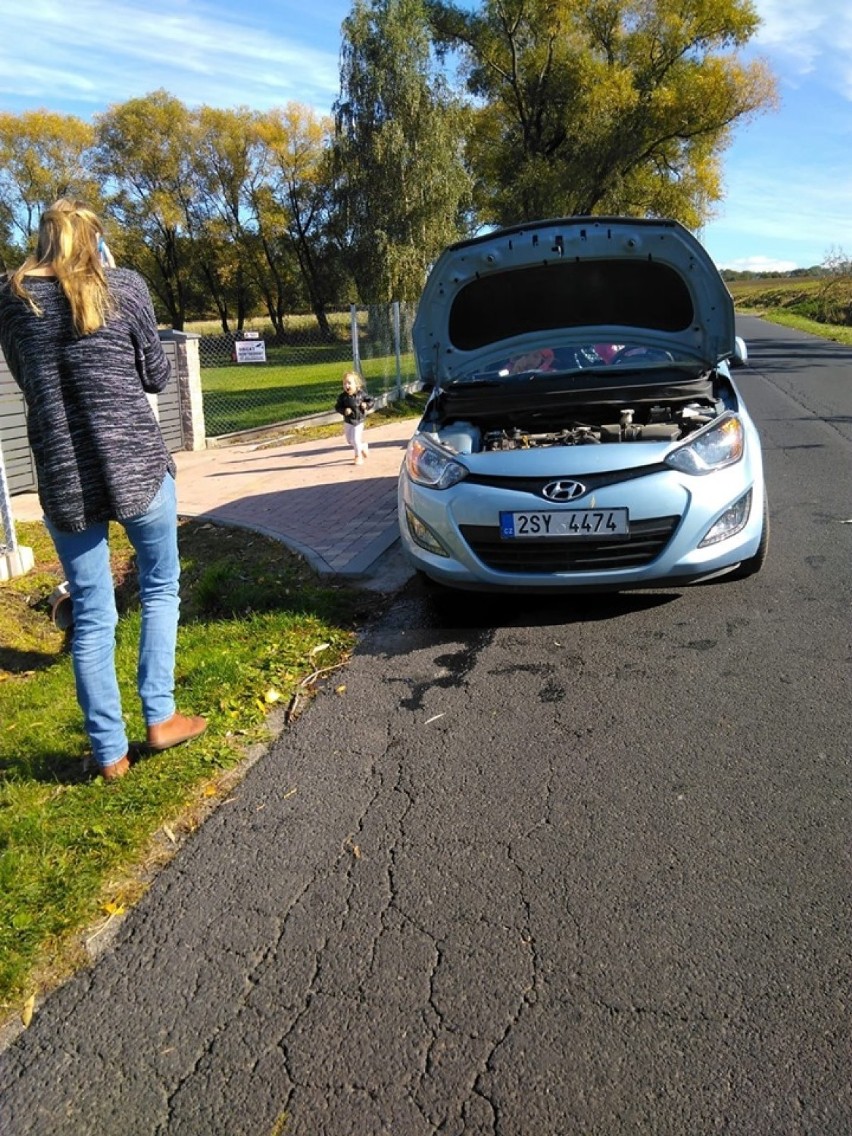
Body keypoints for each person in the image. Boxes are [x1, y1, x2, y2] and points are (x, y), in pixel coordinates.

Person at [0, 198, 206, 781]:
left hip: (65, 478)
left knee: (92, 613)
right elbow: (157, 376)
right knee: (161, 584)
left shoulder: (11, 300)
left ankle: (109, 753)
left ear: (41, 239)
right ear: (95, 240)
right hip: (138, 467)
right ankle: (160, 717)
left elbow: (25, 378)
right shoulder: (127, 287)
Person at [335, 370, 373, 465]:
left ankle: (358, 456)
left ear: (357, 385)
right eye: (344, 384)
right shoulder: (342, 397)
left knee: (355, 439)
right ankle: (363, 446)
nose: (346, 386)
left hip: (358, 421)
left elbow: (371, 400)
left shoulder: (361, 394)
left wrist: (366, 405)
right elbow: (337, 407)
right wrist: (344, 411)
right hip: (348, 421)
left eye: (349, 383)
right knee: (349, 440)